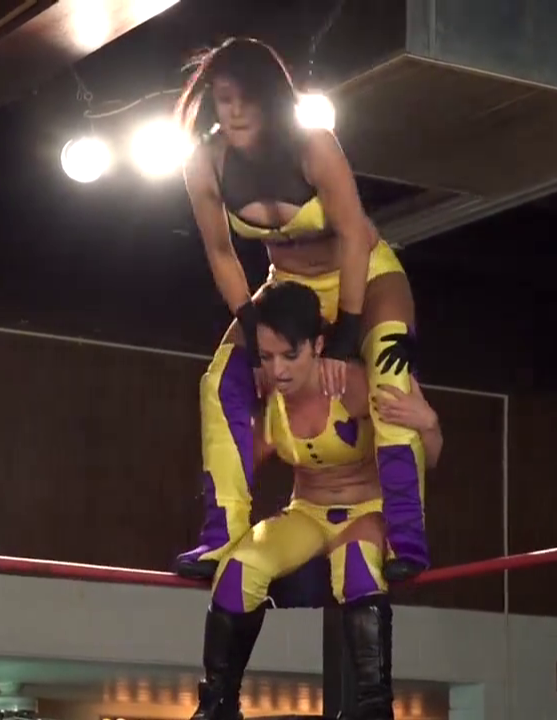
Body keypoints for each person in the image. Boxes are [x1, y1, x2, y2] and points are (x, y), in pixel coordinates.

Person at [174, 37, 429, 585]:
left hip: (365, 274)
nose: (234, 111)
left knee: (389, 376)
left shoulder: (313, 146)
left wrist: (346, 336)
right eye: (223, 99)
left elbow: (354, 236)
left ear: (271, 99)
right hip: (287, 288)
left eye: (246, 98)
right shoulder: (205, 162)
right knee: (219, 381)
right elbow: (221, 253)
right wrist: (251, 331)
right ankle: (222, 534)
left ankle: (405, 535)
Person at [191, 281, 443, 720]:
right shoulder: (269, 398)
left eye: (290, 355)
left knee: (358, 569)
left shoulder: (353, 383)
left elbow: (427, 457)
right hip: (305, 512)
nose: (278, 369)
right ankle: (218, 704)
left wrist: (429, 423)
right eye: (267, 356)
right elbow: (240, 461)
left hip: (367, 510)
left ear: (317, 345)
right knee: (237, 570)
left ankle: (374, 709)